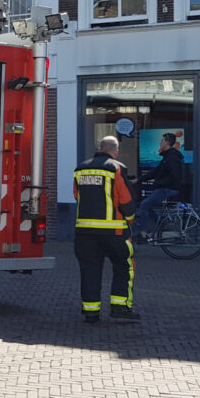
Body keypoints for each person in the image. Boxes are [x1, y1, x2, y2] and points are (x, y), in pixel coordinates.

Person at [73, 135, 139, 324]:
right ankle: (120, 308)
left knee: (89, 270)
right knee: (125, 267)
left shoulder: (80, 169)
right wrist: (130, 219)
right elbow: (126, 200)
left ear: (100, 147)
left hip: (84, 233)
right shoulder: (116, 168)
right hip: (114, 233)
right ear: (115, 151)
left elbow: (77, 195)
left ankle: (91, 312)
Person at [137, 132, 184, 241]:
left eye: (162, 140)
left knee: (144, 205)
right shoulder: (168, 156)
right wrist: (138, 180)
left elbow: (174, 175)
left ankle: (144, 233)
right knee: (146, 205)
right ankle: (162, 223)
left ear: (167, 142)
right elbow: (155, 172)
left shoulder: (171, 157)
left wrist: (159, 183)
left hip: (167, 189)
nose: (160, 142)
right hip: (167, 188)